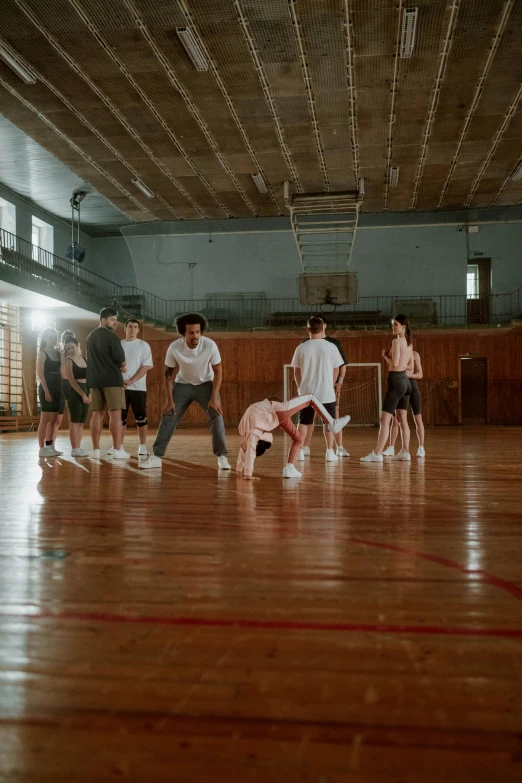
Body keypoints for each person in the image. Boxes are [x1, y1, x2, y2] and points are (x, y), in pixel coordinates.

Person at [140, 313, 230, 470]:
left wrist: (214, 397)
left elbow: (218, 370)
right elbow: (168, 374)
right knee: (168, 416)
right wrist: (169, 400)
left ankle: (222, 457)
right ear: (183, 333)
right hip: (182, 384)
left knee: (217, 416)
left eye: (197, 332)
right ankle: (156, 456)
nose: (195, 336)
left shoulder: (209, 345)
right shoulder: (175, 347)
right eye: (191, 333)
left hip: (205, 384)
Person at [237, 394, 351, 480]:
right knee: (311, 398)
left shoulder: (246, 434)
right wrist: (247, 474)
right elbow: (249, 449)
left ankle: (289, 468)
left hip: (275, 415)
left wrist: (239, 469)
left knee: (298, 438)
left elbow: (246, 449)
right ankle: (332, 423)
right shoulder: (250, 432)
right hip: (278, 410)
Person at [290, 315, 345, 463]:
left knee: (304, 422)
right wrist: (330, 384)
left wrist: (301, 388)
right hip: (327, 393)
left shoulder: (301, 347)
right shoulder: (331, 347)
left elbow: (296, 371)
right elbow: (336, 369)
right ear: (322, 329)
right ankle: (329, 452)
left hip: (306, 393)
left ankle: (300, 451)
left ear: (308, 329)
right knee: (329, 423)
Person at [360, 314, 413, 462]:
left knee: (384, 419)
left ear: (403, 326)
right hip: (405, 382)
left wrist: (385, 356)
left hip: (396, 381)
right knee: (403, 419)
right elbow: (408, 365)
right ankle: (405, 452)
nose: (393, 327)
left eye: (395, 324)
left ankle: (377, 454)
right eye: (392, 325)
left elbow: (395, 363)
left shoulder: (396, 342)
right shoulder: (409, 343)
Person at [86, 307, 129, 459]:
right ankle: (117, 450)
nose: (115, 323)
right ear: (103, 320)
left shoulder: (90, 337)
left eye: (116, 320)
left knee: (97, 414)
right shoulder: (112, 338)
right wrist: (123, 367)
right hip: (112, 380)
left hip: (95, 380)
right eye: (112, 320)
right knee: (115, 414)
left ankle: (95, 450)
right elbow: (121, 360)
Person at [107, 318, 153, 457]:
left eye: (135, 327)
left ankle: (143, 446)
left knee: (141, 418)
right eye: (130, 326)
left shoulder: (144, 345)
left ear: (138, 330)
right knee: (121, 419)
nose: (132, 329)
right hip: (120, 388)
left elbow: (147, 366)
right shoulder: (118, 345)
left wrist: (131, 380)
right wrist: (119, 381)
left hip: (138, 388)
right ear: (125, 329)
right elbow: (112, 365)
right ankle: (118, 446)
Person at [384, 350, 425, 458]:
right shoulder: (397, 354)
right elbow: (393, 366)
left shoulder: (415, 354)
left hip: (412, 387)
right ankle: (391, 447)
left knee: (418, 418)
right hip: (400, 387)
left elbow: (420, 374)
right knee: (396, 420)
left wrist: (406, 376)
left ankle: (421, 447)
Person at [37, 328, 64, 457]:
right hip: (46, 388)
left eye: (55, 337)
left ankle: (50, 446)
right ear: (45, 338)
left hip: (57, 388)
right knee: (45, 419)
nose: (53, 339)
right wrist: (46, 391)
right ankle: (41, 448)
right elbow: (40, 374)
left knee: (53, 420)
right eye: (50, 337)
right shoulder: (42, 353)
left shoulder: (58, 353)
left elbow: (62, 371)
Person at [64, 339, 90, 457]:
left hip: (87, 391)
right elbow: (71, 380)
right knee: (74, 421)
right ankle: (74, 449)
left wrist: (89, 394)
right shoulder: (69, 361)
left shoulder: (85, 359)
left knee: (81, 423)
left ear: (78, 345)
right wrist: (82, 394)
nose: (70, 350)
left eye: (72, 347)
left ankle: (78, 448)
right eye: (67, 349)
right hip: (75, 392)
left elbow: (91, 378)